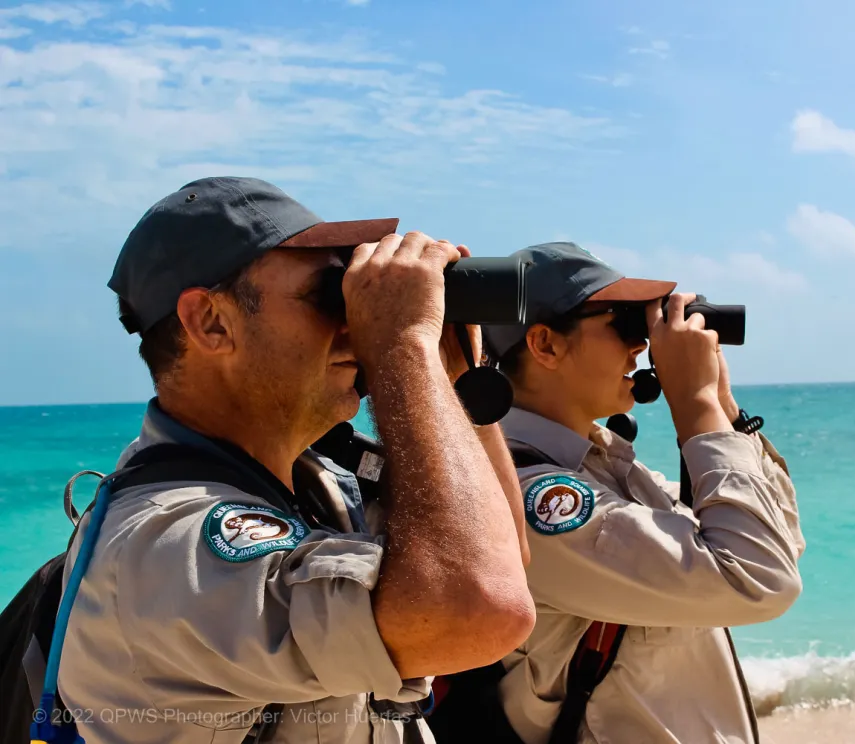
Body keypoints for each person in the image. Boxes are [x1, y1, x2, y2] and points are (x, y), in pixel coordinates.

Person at [53, 177, 536, 744]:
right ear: (211, 321)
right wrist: (402, 342)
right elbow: (481, 608)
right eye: (331, 294)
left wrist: (447, 373)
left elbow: (505, 556)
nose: (355, 321)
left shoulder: (317, 485)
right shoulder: (170, 543)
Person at [477, 242, 806, 744]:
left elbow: (776, 541)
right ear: (545, 344)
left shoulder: (607, 467)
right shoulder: (530, 497)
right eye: (624, 323)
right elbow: (760, 580)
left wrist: (723, 407)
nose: (641, 345)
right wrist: (694, 406)